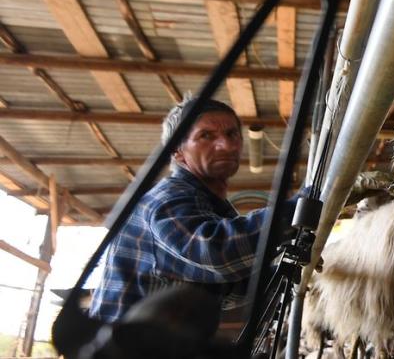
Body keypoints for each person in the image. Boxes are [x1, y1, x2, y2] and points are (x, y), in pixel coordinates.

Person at [89, 96, 268, 323]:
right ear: (177, 151)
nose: (227, 145)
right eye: (206, 136)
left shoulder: (211, 209)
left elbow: (229, 288)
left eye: (232, 134)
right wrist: (295, 212)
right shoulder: (168, 198)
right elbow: (214, 253)